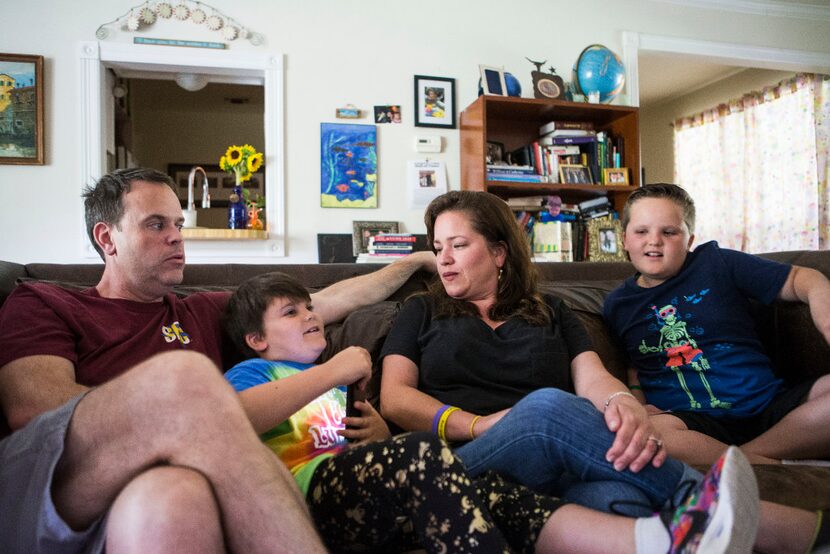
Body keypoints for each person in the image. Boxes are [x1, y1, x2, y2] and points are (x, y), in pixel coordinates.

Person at [0, 167, 435, 553]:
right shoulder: (45, 301)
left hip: (156, 492)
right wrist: (176, 414)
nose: (175, 236)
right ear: (106, 237)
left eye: (177, 224)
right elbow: (36, 408)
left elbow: (326, 301)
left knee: (175, 499)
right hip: (59, 489)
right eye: (155, 224)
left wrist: (414, 260)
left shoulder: (200, 311)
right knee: (186, 380)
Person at [380, 189, 828, 553]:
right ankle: (763, 521)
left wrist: (625, 406)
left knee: (624, 503)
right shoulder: (421, 310)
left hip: (556, 468)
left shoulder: (549, 311)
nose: (443, 259)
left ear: (499, 253)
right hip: (468, 458)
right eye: (438, 248)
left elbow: (593, 376)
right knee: (546, 409)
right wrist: (478, 426)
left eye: (459, 245)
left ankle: (716, 528)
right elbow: (395, 398)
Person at [222, 270, 759, 554]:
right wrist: (334, 372)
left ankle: (657, 540)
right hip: (306, 501)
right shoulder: (257, 375)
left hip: (374, 498)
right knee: (424, 454)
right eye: (292, 313)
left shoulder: (340, 385)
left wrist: (379, 431)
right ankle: (693, 498)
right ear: (255, 340)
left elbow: (371, 453)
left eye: (311, 307)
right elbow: (231, 419)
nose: (311, 316)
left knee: (502, 496)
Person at [603, 183, 830, 468]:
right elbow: (632, 365)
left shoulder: (717, 262)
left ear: (689, 239)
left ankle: (747, 459)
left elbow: (802, 278)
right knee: (647, 433)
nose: (654, 241)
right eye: (642, 231)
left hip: (770, 406)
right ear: (624, 239)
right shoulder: (617, 305)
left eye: (669, 232)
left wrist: (823, 306)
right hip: (691, 422)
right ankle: (777, 463)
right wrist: (637, 401)